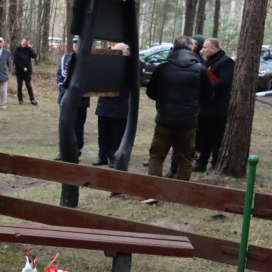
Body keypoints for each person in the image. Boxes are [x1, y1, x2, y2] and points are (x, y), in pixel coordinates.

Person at [144, 35, 212, 195]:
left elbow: (151, 91)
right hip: (188, 121)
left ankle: (152, 192)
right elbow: (208, 95)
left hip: (164, 119)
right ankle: (181, 194)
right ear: (191, 49)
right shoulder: (200, 69)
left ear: (174, 48)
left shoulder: (163, 67)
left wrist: (164, 100)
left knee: (156, 155)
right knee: (186, 158)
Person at [194, 38, 234, 173]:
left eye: (205, 47)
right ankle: (201, 162)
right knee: (203, 136)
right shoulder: (207, 61)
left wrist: (206, 88)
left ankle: (216, 163)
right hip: (204, 106)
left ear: (214, 48)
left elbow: (224, 82)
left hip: (217, 107)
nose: (202, 50)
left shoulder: (226, 62)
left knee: (216, 137)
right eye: (203, 47)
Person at [93, 42, 131, 167]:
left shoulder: (130, 66)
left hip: (120, 106)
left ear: (126, 52)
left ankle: (114, 157)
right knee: (103, 133)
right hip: (104, 105)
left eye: (119, 52)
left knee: (117, 134)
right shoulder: (106, 64)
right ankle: (102, 156)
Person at [56, 36, 89, 160]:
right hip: (65, 98)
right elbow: (59, 74)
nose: (75, 45)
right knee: (64, 125)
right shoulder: (66, 57)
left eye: (78, 43)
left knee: (78, 126)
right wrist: (64, 91)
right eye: (74, 42)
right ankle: (63, 151)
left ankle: (77, 151)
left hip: (80, 100)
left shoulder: (88, 58)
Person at [13, 37, 38, 105]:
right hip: (19, 71)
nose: (24, 45)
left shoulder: (28, 50)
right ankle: (20, 100)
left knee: (28, 85)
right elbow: (15, 60)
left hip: (28, 71)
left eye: (26, 44)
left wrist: (30, 48)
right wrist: (22, 67)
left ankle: (32, 99)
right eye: (23, 44)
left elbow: (34, 55)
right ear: (21, 42)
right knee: (19, 86)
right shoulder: (17, 50)